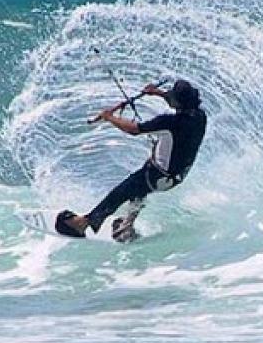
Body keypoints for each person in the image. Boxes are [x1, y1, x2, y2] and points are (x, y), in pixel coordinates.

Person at [55, 79, 206, 239]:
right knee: (139, 189)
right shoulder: (199, 116)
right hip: (175, 176)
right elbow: (178, 103)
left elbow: (133, 129)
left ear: (178, 102)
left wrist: (109, 117)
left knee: (122, 191)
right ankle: (126, 227)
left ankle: (83, 223)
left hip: (159, 175)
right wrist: (158, 93)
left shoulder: (169, 122)